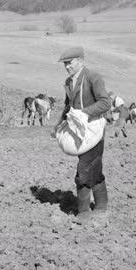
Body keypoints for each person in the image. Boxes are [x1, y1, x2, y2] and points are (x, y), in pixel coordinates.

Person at [54, 47, 111, 222]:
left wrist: (84, 113)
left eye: (69, 63)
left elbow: (105, 103)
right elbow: (67, 107)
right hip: (78, 132)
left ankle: (84, 211)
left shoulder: (93, 78)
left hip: (94, 130)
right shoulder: (69, 82)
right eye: (65, 64)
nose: (66, 67)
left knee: (84, 169)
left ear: (80, 60)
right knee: (93, 167)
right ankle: (101, 206)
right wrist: (58, 126)